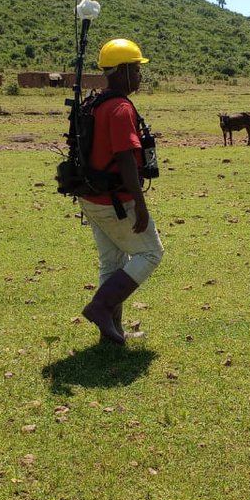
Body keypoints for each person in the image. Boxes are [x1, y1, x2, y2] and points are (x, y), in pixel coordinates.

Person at [79, 38, 165, 345]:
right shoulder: (120, 108)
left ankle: (111, 331)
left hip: (91, 197)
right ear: (123, 70)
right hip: (115, 200)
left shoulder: (97, 102)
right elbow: (126, 157)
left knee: (112, 262)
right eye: (136, 69)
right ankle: (101, 307)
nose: (140, 75)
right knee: (151, 253)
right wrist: (140, 204)